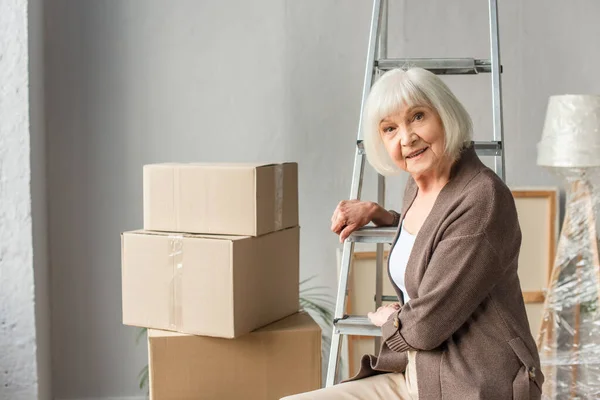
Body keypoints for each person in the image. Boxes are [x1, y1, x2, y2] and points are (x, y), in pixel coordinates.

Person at [281, 67, 544, 400]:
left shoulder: (483, 198)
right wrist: (384, 215)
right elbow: (435, 238)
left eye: (417, 117)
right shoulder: (419, 185)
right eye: (390, 129)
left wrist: (387, 318)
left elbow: (425, 326)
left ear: (445, 114)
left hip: (472, 384)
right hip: (414, 373)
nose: (406, 138)